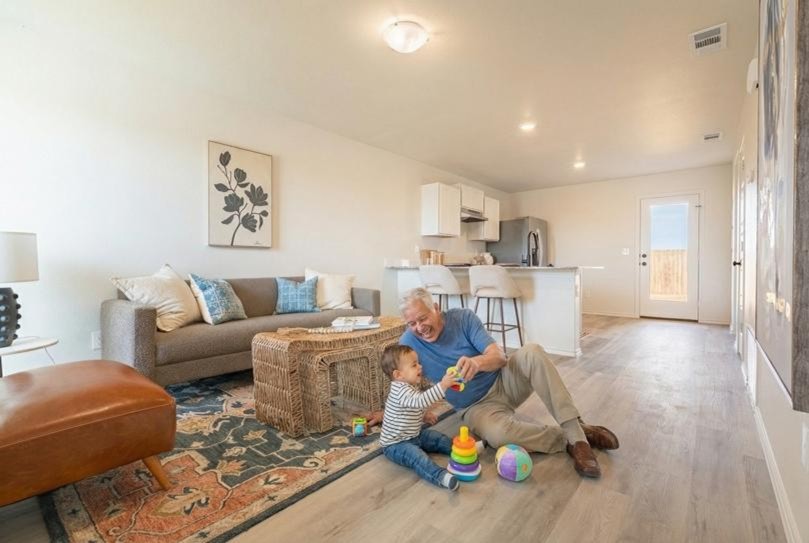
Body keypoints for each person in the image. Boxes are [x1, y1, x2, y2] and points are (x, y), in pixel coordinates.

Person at [370, 288, 618, 478]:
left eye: (423, 318)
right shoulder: (409, 342)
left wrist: (478, 363)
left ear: (436, 308)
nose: (419, 328)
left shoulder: (463, 318)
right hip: (474, 407)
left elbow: (499, 357)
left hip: (504, 381)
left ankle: (578, 438)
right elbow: (399, 379)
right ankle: (570, 437)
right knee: (499, 435)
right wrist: (388, 412)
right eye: (411, 323)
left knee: (532, 351)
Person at [378, 344, 480, 490]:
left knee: (438, 438)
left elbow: (413, 405)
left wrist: (424, 415)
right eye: (414, 365)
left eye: (418, 363)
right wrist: (443, 385)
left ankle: (463, 450)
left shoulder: (409, 386)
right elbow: (420, 401)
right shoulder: (399, 390)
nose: (420, 367)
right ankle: (440, 476)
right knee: (418, 458)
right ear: (398, 375)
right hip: (396, 444)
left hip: (414, 434)